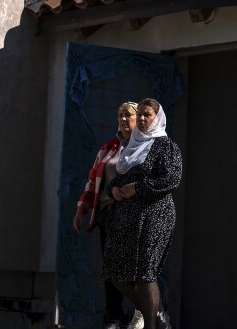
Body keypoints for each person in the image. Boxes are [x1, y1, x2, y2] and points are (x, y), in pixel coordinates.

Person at [103, 98, 182, 329]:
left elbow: (171, 179)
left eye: (149, 115)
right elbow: (118, 179)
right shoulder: (132, 146)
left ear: (157, 118)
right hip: (127, 217)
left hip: (155, 215)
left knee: (145, 273)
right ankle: (156, 314)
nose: (144, 119)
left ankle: (150, 325)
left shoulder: (165, 146)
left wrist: (137, 188)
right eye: (142, 115)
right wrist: (114, 190)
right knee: (115, 273)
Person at [73, 101, 140, 329]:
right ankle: (114, 316)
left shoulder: (144, 149)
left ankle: (144, 311)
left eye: (128, 116)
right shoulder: (108, 148)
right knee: (110, 268)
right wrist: (82, 209)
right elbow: (93, 181)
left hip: (131, 216)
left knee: (129, 268)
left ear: (138, 120)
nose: (123, 119)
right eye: (120, 115)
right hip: (107, 216)